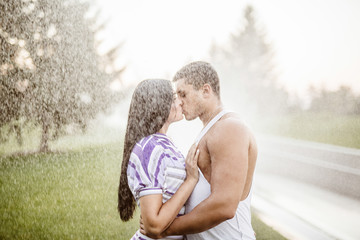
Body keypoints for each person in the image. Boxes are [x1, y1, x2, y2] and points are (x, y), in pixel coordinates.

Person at [141, 61, 258, 240]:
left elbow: (224, 206)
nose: (178, 102)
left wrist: (164, 229)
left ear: (205, 91)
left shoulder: (229, 128)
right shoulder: (210, 130)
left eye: (183, 94)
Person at [117, 79, 200, 240]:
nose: (180, 102)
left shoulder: (163, 145)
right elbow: (153, 225)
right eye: (175, 97)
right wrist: (190, 180)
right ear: (159, 105)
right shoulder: (149, 149)